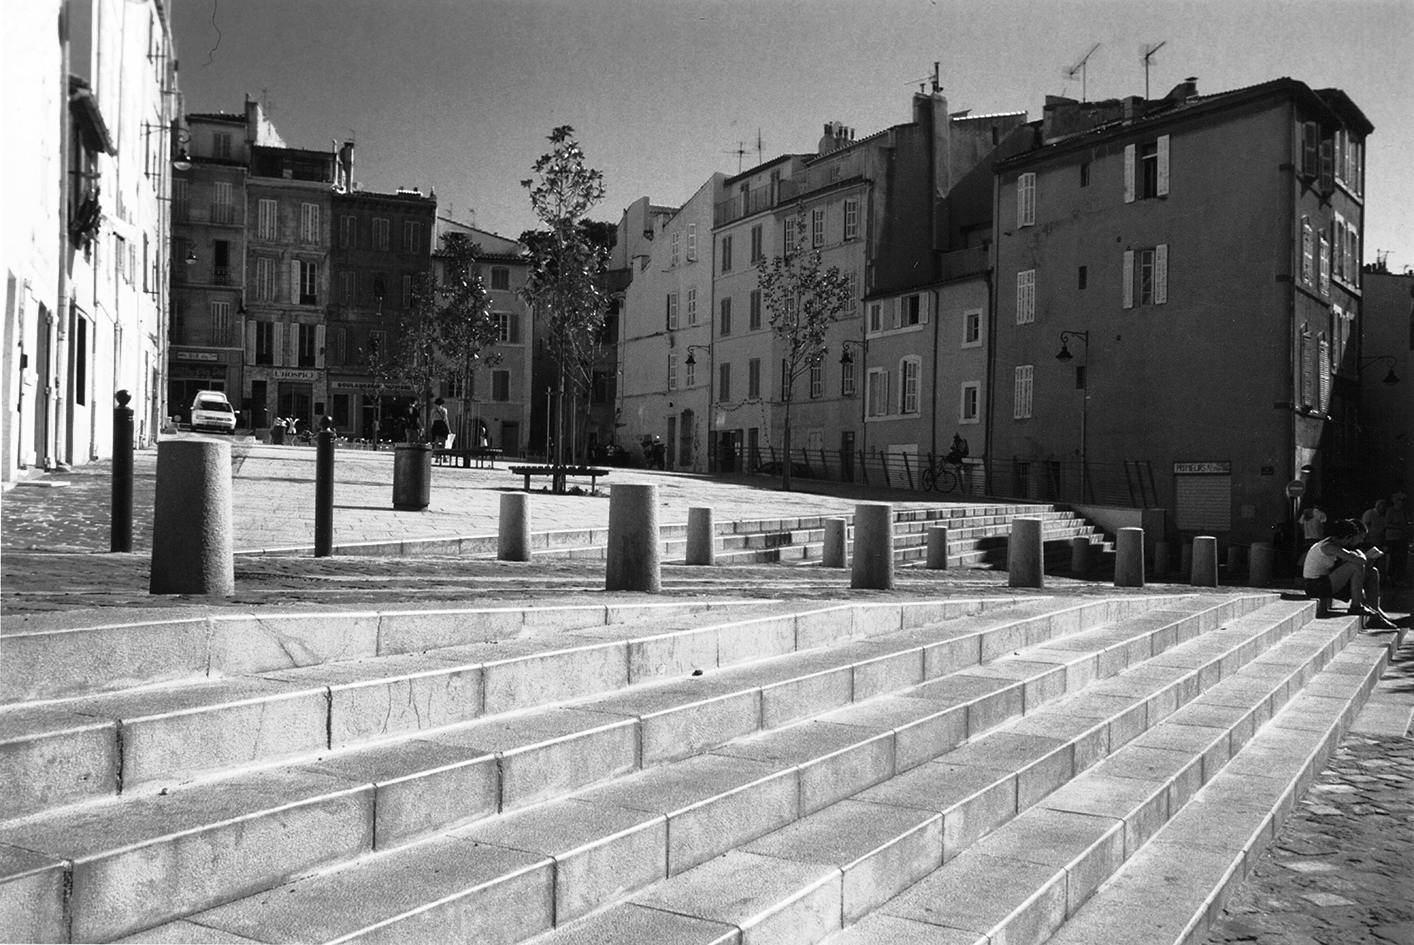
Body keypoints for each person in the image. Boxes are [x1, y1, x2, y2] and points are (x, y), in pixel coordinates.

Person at [1302, 518, 1395, 628]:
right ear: (1347, 537)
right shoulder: (1328, 546)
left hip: (1325, 582)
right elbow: (1360, 561)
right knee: (1356, 565)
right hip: (1315, 586)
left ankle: (1375, 616)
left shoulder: (1333, 545)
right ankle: (1356, 606)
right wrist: (1360, 554)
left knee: (1372, 572)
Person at [1385, 493, 1409, 586]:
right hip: (1393, 539)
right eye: (1401, 500)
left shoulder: (1404, 511)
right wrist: (1400, 527)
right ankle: (1390, 577)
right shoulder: (1391, 511)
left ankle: (1399, 579)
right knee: (1394, 558)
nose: (1403, 502)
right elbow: (1387, 524)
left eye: (1404, 500)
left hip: (1402, 538)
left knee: (1402, 559)